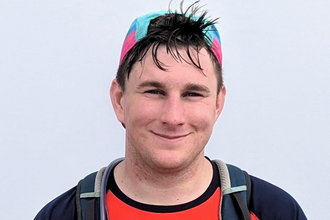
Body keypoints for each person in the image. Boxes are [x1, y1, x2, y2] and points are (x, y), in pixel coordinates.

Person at [35, 2, 307, 220]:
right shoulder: (65, 215)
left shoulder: (274, 211)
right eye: (154, 91)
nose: (173, 117)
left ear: (217, 104)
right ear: (120, 100)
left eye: (192, 94)